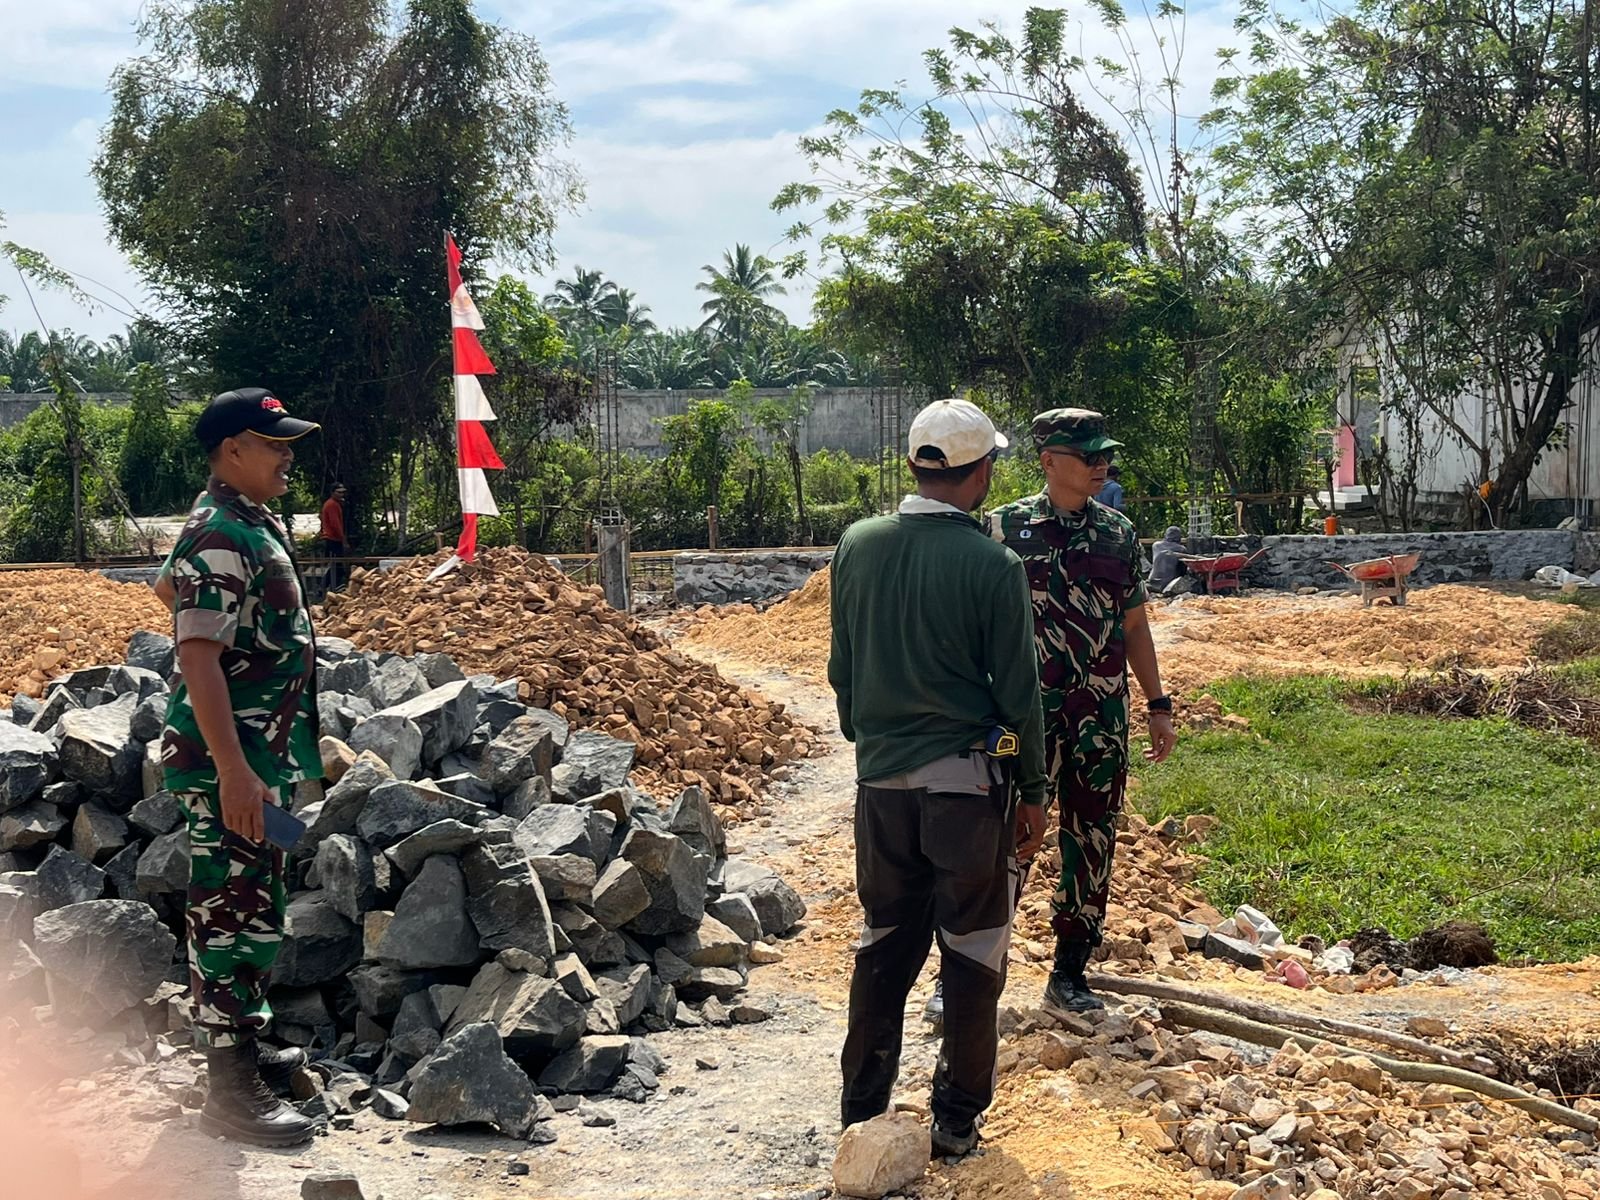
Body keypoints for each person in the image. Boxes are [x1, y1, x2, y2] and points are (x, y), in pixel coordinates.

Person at [829, 398, 1047, 1159]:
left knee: (884, 942)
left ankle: (861, 1109)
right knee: (974, 950)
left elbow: (843, 672)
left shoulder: (857, 545)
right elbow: (1018, 696)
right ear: (982, 472)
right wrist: (1031, 786)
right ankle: (955, 1120)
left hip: (881, 788)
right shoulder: (994, 565)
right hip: (968, 790)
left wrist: (875, 743)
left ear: (915, 465)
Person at [160, 386, 324, 1147]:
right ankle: (229, 1090)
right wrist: (231, 768)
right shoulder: (220, 530)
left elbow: (169, 588)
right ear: (233, 450)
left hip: (257, 754)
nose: (287, 455)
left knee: (255, 901)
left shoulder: (243, 521)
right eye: (274, 443)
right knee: (228, 913)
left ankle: (244, 1047)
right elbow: (198, 656)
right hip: (230, 761)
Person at [986, 409, 1177, 1013]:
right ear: (1049, 461)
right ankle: (970, 972)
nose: (1103, 466)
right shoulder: (1003, 529)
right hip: (1025, 720)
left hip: (1101, 716)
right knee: (1006, 837)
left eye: (1105, 456)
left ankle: (1070, 972)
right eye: (1089, 456)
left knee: (1092, 839)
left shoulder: (1119, 533)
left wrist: (1158, 704)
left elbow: (1135, 625)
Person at [319, 482, 349, 589]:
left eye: (342, 492)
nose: (341, 495)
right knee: (337, 567)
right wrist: (343, 540)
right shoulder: (332, 505)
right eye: (338, 492)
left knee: (336, 566)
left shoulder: (333, 504)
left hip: (332, 538)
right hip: (333, 539)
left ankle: (326, 588)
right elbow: (335, 524)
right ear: (332, 493)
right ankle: (327, 588)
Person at [1148, 524, 1189, 594]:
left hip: (1152, 582)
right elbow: (1183, 570)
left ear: (1165, 535)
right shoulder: (1181, 549)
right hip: (1169, 584)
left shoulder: (1155, 545)